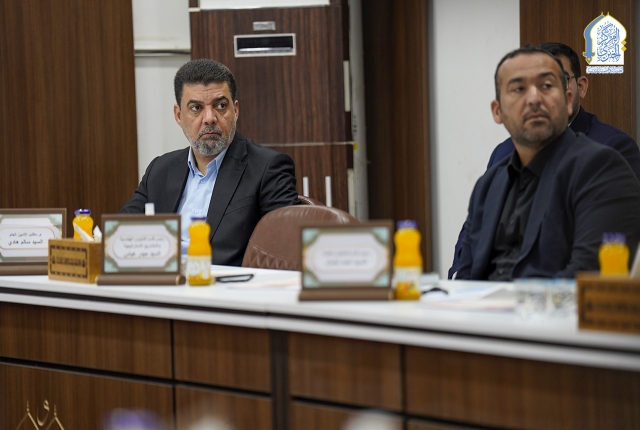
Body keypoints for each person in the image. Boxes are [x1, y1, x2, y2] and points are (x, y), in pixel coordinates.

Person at [448, 42, 640, 278]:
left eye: (546, 86)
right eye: (518, 88)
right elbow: (465, 274)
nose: (533, 98)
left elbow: (588, 277)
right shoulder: (488, 185)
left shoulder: (603, 167)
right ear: (498, 111)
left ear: (568, 99)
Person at [120, 59, 299, 266]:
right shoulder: (160, 170)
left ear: (236, 110)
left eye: (220, 106)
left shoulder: (268, 167)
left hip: (224, 284)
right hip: (165, 281)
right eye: (196, 108)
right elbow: (121, 235)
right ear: (178, 115)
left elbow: (287, 247)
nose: (209, 118)